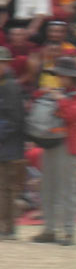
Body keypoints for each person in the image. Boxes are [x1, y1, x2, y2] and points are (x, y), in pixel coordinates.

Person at [32, 57, 76, 245]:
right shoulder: (58, 93)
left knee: (67, 189)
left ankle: (68, 231)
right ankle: (49, 229)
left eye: (63, 75)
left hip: (68, 145)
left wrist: (60, 100)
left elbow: (74, 115)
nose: (60, 78)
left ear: (72, 77)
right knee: (47, 187)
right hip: (51, 143)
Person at [0, 47, 24, 240]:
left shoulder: (10, 87)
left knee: (6, 188)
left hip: (8, 146)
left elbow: (15, 120)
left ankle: (8, 228)